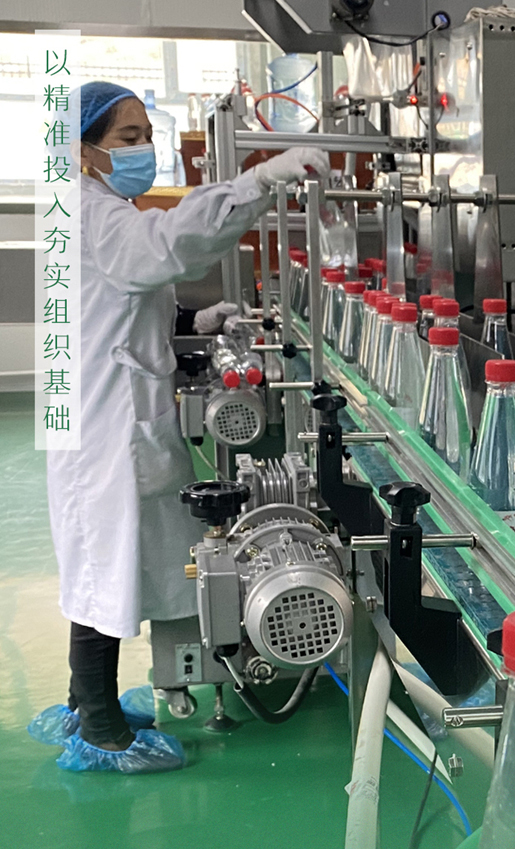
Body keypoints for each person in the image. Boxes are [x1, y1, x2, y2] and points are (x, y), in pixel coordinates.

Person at [28, 81, 329, 773]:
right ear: (83, 149)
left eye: (146, 135)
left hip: (109, 412)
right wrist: (257, 183)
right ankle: (99, 728)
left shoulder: (89, 209)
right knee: (105, 568)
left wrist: (194, 320)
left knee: (109, 560)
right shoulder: (93, 214)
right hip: (106, 425)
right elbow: (167, 247)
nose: (144, 149)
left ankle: (83, 702)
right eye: (128, 138)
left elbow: (121, 300)